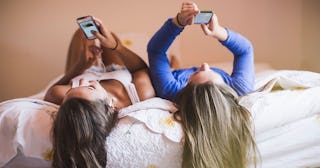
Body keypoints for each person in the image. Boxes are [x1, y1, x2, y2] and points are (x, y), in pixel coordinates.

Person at [147, 2, 259, 168]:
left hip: (176, 73)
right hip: (178, 71)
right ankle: (174, 64)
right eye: (210, 72)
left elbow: (155, 51)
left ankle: (174, 65)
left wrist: (177, 23)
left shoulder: (172, 89)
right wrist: (219, 32)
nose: (204, 64)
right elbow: (245, 50)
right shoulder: (240, 87)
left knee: (170, 66)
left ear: (186, 88)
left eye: (198, 73)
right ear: (227, 91)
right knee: (172, 63)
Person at [45, 17, 155, 167]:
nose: (82, 82)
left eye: (72, 89)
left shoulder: (59, 94)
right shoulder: (140, 95)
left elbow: (51, 92)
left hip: (85, 68)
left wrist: (80, 66)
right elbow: (140, 69)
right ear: (109, 107)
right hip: (118, 71)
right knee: (110, 37)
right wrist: (116, 46)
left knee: (81, 32)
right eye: (90, 88)